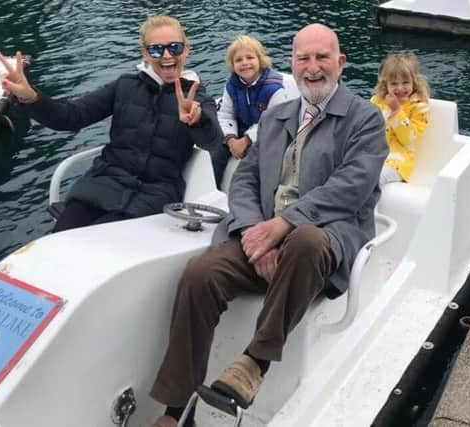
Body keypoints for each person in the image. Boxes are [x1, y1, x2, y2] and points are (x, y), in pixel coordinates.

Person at [149, 23, 388, 427]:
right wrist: (251, 233)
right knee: (200, 273)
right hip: (261, 236)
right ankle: (176, 410)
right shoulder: (276, 116)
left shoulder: (365, 119)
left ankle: (254, 363)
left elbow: (351, 188)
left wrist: (282, 226)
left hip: (321, 240)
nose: (313, 67)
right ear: (292, 64)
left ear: (340, 63)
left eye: (322, 57)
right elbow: (244, 179)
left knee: (306, 241)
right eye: (303, 58)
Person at [0, 15, 222, 232]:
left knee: (101, 244)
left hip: (154, 196)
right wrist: (31, 98)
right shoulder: (124, 86)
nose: (166, 55)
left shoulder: (197, 98)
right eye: (156, 49)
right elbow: (71, 116)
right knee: (61, 237)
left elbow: (213, 141)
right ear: (145, 53)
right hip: (102, 183)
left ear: (186, 49)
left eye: (174, 47)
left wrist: (197, 119)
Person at [211, 34, 289, 188]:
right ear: (232, 64)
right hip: (239, 131)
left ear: (260, 60)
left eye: (250, 58)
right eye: (239, 60)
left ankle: (253, 195)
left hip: (266, 135)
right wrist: (231, 139)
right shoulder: (231, 84)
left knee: (255, 162)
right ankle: (215, 189)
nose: (245, 63)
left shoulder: (273, 89)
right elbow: (226, 114)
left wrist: (246, 140)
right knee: (216, 152)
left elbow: (272, 123)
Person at [370, 52, 429, 186]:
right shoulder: (376, 102)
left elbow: (410, 140)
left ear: (414, 82)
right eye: (394, 83)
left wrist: (396, 111)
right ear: (386, 85)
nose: (400, 88)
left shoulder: (419, 107)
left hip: (398, 163)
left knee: (373, 180)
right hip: (374, 156)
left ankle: (367, 208)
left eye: (405, 82)